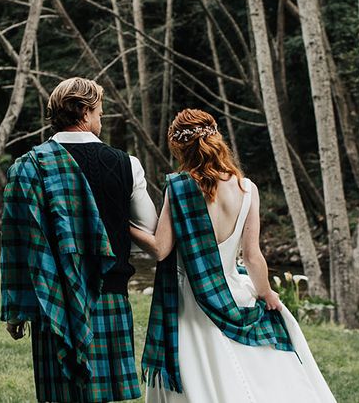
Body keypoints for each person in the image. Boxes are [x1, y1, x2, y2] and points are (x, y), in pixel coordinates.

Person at [131, 108, 336, 403]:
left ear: (180, 147)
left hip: (191, 301)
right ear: (217, 139)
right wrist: (266, 293)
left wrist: (123, 225)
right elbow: (252, 256)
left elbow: (160, 248)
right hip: (233, 291)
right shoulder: (246, 188)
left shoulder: (179, 187)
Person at [1, 77, 158, 403]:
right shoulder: (127, 165)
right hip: (109, 297)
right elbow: (149, 227)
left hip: (53, 304)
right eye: (100, 111)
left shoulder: (27, 168)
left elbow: (17, 245)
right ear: (85, 112)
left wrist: (17, 312)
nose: (101, 118)